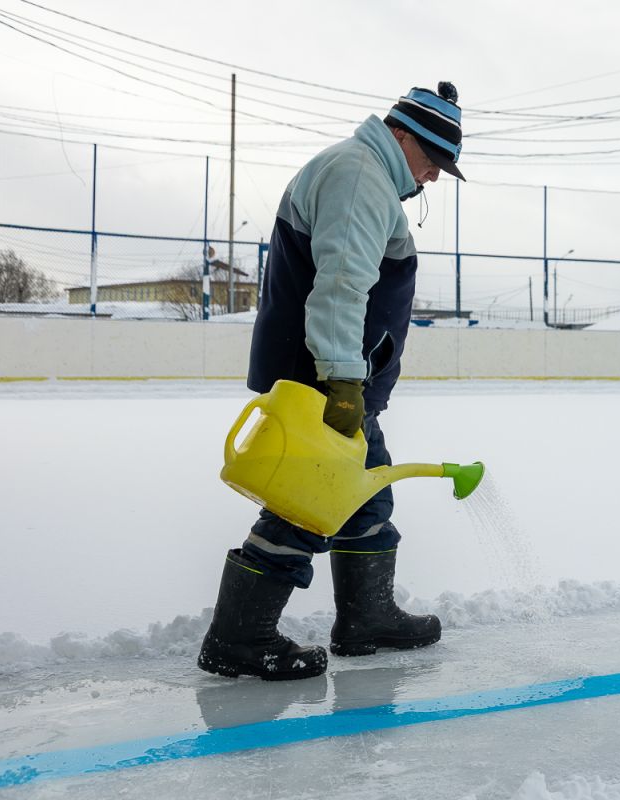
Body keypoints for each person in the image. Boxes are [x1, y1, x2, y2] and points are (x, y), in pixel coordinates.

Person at [197, 82, 466, 681]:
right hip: (324, 375)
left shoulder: (365, 174)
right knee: (307, 503)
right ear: (401, 136)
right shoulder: (359, 175)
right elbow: (342, 286)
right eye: (433, 159)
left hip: (333, 373)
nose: (434, 176)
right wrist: (343, 381)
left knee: (366, 493)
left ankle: (367, 617)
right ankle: (238, 638)